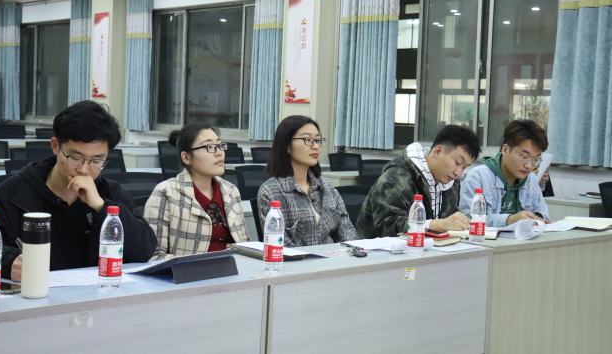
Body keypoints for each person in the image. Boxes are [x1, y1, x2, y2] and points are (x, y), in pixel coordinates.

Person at [0, 101, 157, 282]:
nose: (84, 170)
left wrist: (101, 206)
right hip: (34, 291)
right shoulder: (11, 194)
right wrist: (9, 263)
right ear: (55, 146)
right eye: (75, 158)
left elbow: (145, 250)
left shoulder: (111, 193)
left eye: (96, 161)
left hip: (99, 292)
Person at [144, 123, 249, 259]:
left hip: (234, 268)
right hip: (188, 270)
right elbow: (154, 254)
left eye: (220, 145)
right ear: (186, 157)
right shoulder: (166, 192)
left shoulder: (231, 191)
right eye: (209, 147)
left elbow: (245, 244)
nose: (219, 152)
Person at [357, 125, 481, 239]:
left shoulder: (451, 183)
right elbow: (388, 228)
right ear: (437, 151)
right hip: (381, 252)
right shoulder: (397, 177)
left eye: (464, 167)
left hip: (432, 250)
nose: (458, 172)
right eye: (457, 163)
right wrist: (439, 225)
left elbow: (450, 224)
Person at [257, 115, 357, 247]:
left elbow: (347, 231)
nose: (316, 146)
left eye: (318, 140)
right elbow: (279, 245)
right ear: (287, 146)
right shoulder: (271, 192)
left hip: (334, 258)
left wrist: (350, 253)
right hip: (296, 259)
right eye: (308, 140)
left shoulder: (326, 186)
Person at [460, 120, 551, 227]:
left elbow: (543, 214)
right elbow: (467, 220)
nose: (529, 166)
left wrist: (537, 219)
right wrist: (508, 220)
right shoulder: (478, 177)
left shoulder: (531, 179)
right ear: (505, 150)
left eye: (535, 159)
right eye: (524, 157)